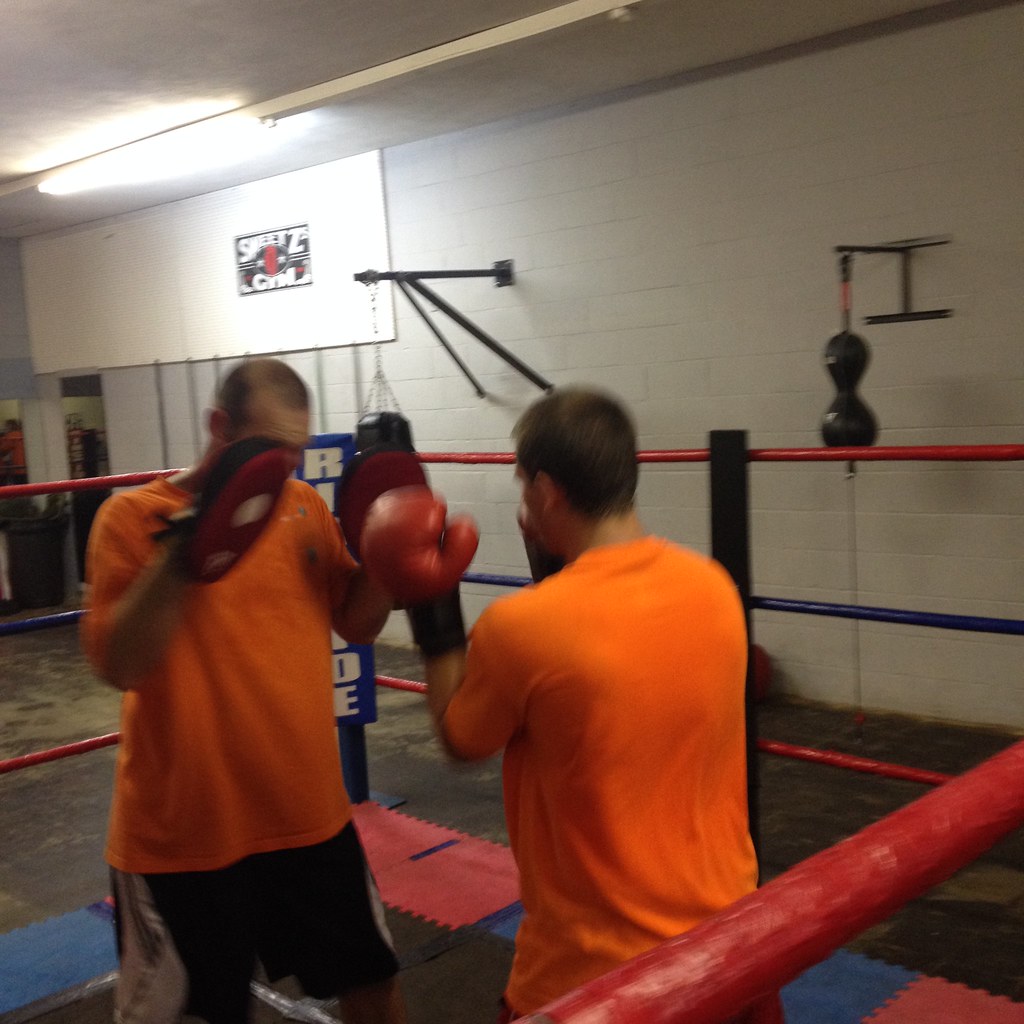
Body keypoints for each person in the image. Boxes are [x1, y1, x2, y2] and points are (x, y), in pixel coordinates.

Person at [365, 386, 781, 1022]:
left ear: (548, 491)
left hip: (597, 976)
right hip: (730, 954)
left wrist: (434, 606)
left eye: (522, 481)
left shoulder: (523, 628)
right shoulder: (715, 589)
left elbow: (460, 738)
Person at [81, 358, 407, 1024]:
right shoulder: (130, 519)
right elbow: (120, 664)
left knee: (373, 985)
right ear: (218, 427)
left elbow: (356, 622)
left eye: (294, 451)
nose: (282, 469)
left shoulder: (304, 507)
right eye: (267, 450)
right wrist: (191, 542)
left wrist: (388, 561)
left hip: (307, 815)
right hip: (187, 833)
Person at [0, 419, 26, 484]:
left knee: (19, 488)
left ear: (9, 427)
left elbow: (3, 449)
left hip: (18, 468)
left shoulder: (11, 436)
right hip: (26, 466)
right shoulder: (23, 434)